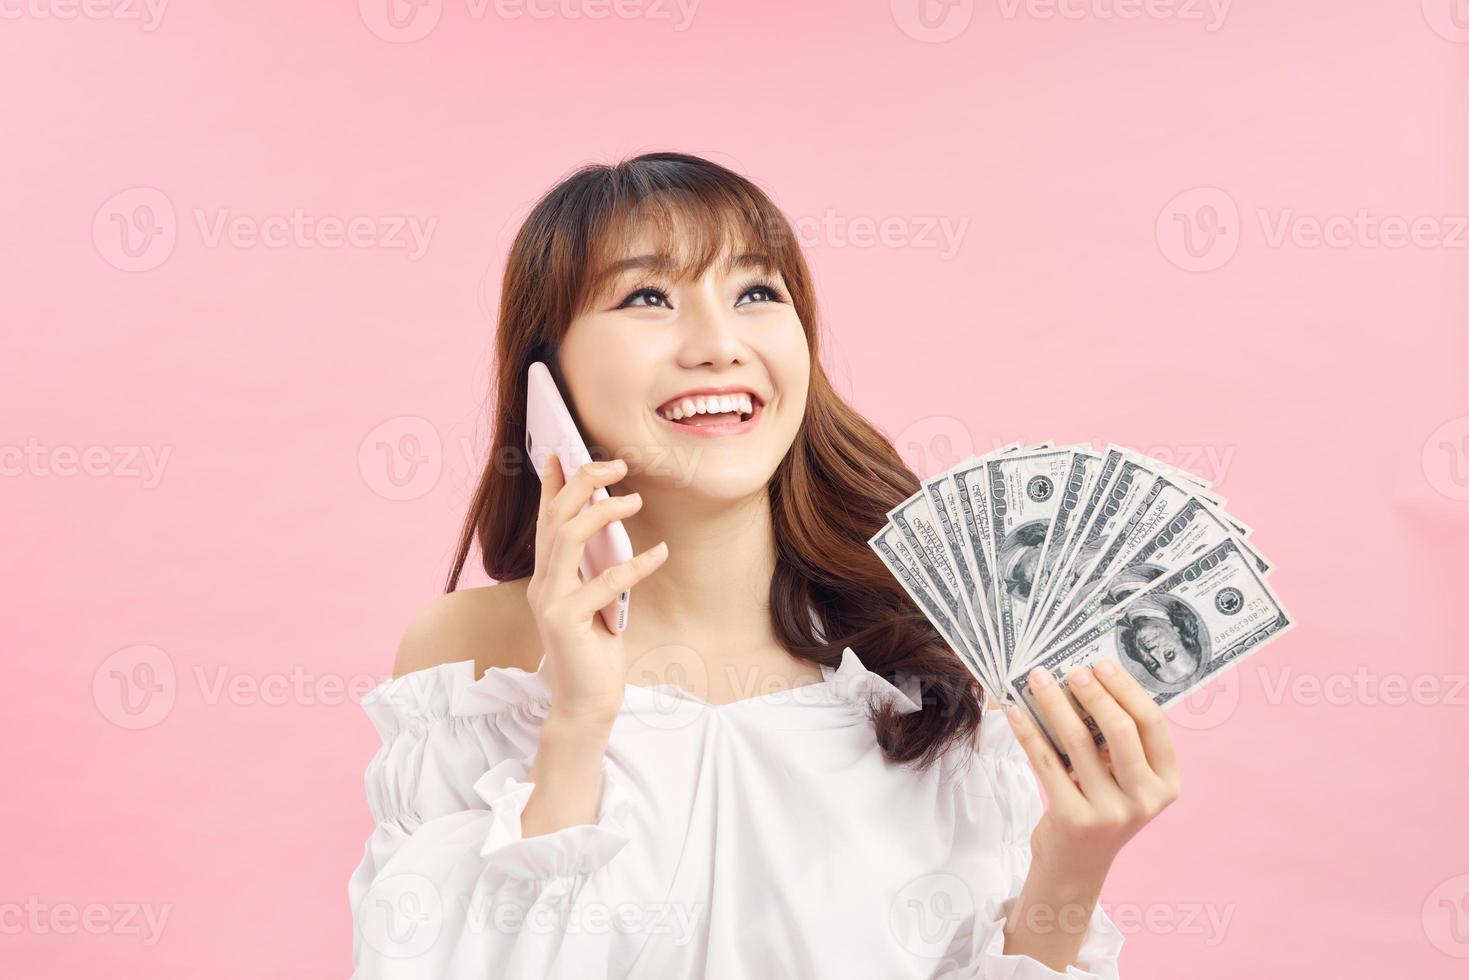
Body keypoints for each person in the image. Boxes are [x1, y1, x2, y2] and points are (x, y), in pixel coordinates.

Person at [347, 152, 1181, 979]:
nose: (719, 345)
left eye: (756, 293)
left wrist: (1075, 859)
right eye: (647, 297)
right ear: (546, 375)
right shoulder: (468, 659)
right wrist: (576, 721)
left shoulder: (927, 651)